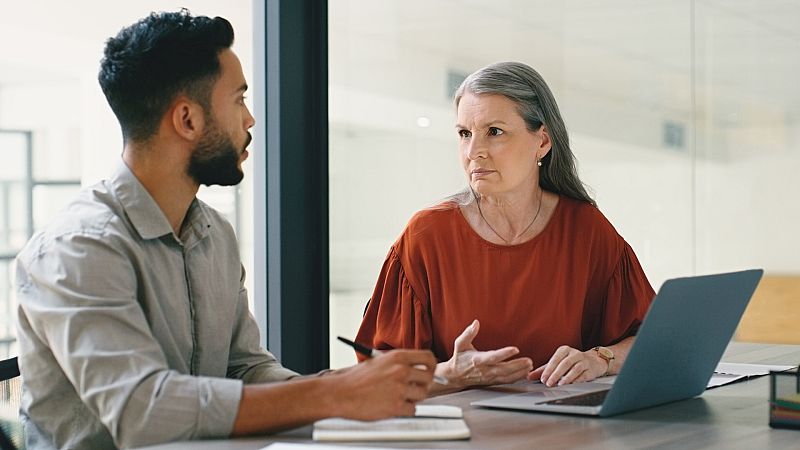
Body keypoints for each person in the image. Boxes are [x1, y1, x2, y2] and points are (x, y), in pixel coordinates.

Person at [14, 10, 436, 450]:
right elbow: (143, 410)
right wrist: (333, 395)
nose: (250, 119)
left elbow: (247, 370)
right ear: (187, 120)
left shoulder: (214, 233)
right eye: (238, 100)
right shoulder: (79, 247)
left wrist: (362, 390)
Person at [356, 61, 655, 395]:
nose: (473, 152)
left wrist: (601, 358)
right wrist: (450, 374)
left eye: (494, 132)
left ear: (542, 141)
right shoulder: (426, 236)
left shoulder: (586, 229)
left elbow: (653, 339)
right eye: (464, 134)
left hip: (565, 434)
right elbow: (375, 377)